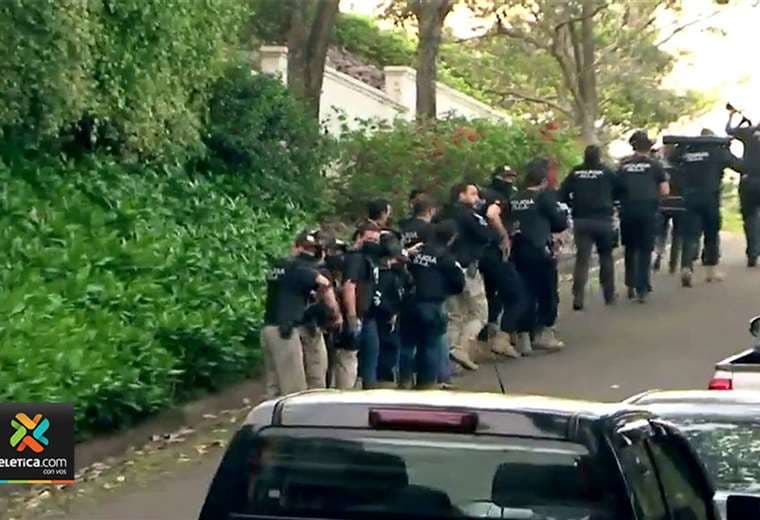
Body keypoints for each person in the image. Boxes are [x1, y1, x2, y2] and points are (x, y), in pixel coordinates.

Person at [261, 230, 341, 398]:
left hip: (271, 325)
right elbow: (324, 285)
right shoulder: (301, 268)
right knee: (294, 388)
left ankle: (272, 412)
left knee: (275, 383)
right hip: (288, 328)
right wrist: (334, 313)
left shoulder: (279, 266)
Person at [509, 159, 570, 353]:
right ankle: (544, 333)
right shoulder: (543, 197)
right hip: (540, 250)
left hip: (518, 249)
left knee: (525, 291)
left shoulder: (514, 198)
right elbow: (559, 222)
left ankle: (523, 338)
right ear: (543, 181)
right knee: (547, 292)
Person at [671, 129, 743, 286]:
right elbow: (740, 166)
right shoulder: (717, 151)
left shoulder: (688, 150)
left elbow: (671, 159)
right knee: (711, 234)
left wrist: (681, 146)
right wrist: (727, 148)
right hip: (710, 197)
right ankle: (711, 272)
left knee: (690, 235)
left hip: (690, 197)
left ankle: (686, 267)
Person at [442, 182, 501, 370]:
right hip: (467, 268)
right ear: (461, 195)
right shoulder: (468, 215)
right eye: (473, 194)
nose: (477, 198)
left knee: (455, 315)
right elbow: (488, 235)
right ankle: (462, 346)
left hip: (446, 268)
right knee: (480, 314)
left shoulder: (442, 214)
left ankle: (450, 358)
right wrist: (491, 218)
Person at [405, 220, 465, 389]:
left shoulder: (417, 251)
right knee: (431, 345)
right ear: (452, 238)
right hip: (433, 304)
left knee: (408, 345)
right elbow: (459, 283)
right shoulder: (446, 257)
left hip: (410, 302)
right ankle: (427, 384)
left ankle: (404, 380)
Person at [560, 145, 620, 310]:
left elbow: (562, 193)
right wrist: (611, 202)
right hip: (603, 220)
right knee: (606, 257)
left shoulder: (576, 172)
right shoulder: (607, 172)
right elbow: (620, 190)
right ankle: (609, 295)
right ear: (599, 157)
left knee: (582, 259)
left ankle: (578, 297)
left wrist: (572, 204)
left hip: (581, 220)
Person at [476, 166, 525, 358]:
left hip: (479, 253)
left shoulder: (480, 196)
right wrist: (504, 236)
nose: (509, 182)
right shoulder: (497, 197)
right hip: (495, 252)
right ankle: (502, 339)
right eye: (506, 178)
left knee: (490, 296)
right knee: (516, 294)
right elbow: (492, 214)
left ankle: (483, 339)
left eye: (511, 178)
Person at [617, 130, 670, 303]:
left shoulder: (623, 165)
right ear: (648, 147)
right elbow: (665, 190)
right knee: (645, 249)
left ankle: (630, 283)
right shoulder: (655, 165)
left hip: (627, 212)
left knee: (630, 248)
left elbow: (615, 188)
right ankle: (642, 288)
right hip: (647, 211)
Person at [342, 221, 382, 388]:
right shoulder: (355, 258)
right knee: (349, 362)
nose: (373, 244)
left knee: (370, 361)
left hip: (369, 315)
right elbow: (349, 286)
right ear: (359, 237)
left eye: (376, 240)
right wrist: (352, 316)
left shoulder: (370, 259)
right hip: (357, 316)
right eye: (369, 239)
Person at [374, 231, 413, 387]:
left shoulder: (389, 272)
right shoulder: (391, 276)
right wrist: (393, 311)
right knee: (388, 351)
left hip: (383, 314)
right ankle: (386, 382)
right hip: (387, 317)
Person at [726, 110, 760, 267]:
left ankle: (753, 252)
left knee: (750, 217)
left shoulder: (748, 132)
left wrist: (732, 116)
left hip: (749, 180)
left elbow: (728, 130)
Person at [653, 145, 684, 274]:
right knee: (677, 235)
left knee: (661, 233)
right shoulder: (683, 170)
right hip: (680, 204)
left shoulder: (660, 169)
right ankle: (673, 263)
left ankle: (658, 254)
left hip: (662, 204)